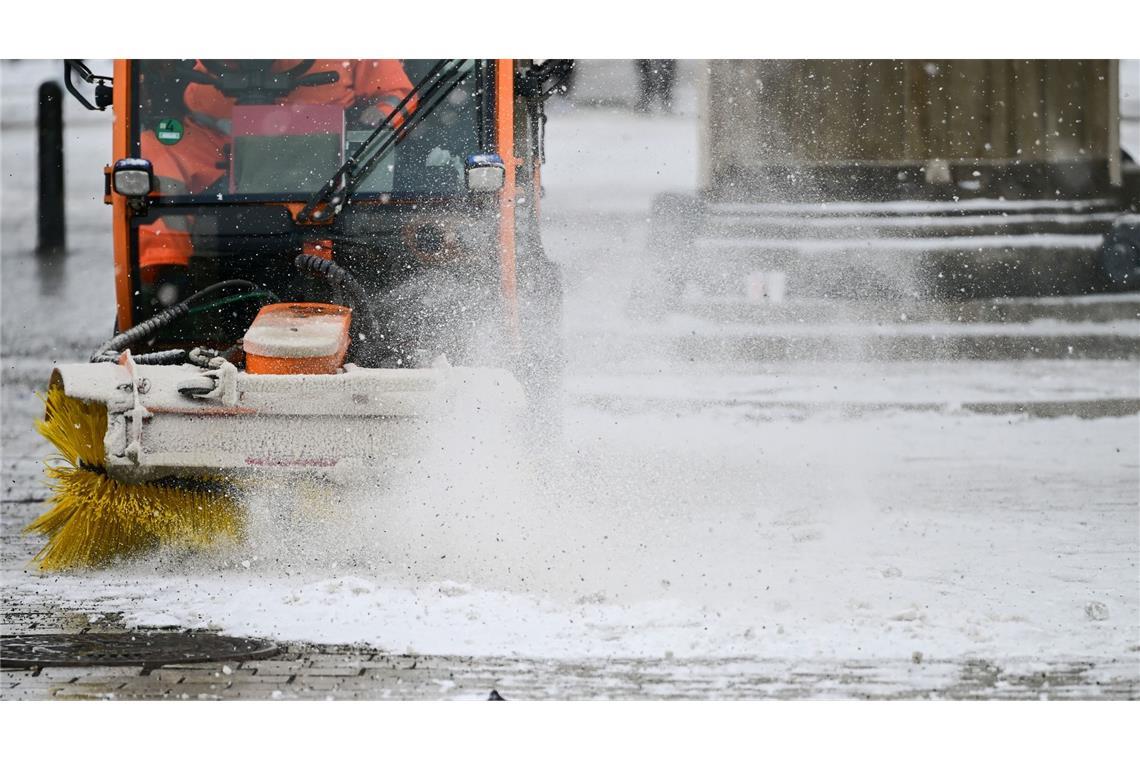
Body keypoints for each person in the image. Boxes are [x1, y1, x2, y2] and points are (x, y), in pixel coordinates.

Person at [138, 60, 415, 296]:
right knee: (151, 156)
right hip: (219, 161)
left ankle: (329, 288)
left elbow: (397, 93)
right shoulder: (199, 65)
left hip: (334, 166)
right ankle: (167, 277)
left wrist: (370, 123)